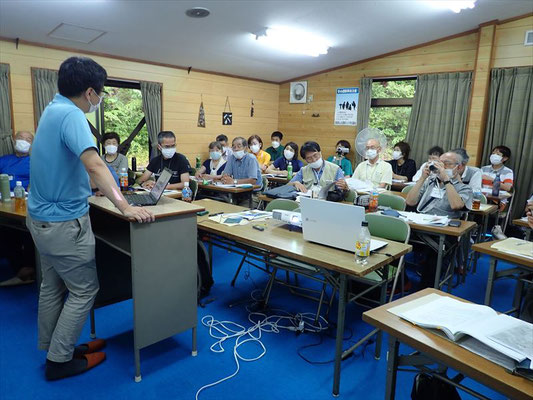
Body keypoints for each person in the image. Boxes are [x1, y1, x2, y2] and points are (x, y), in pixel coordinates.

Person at [25, 56, 154, 381]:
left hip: (41, 220)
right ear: (90, 91)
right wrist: (124, 206)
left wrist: (92, 187)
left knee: (52, 285)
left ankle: (55, 346)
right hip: (62, 224)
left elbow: (67, 166)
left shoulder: (52, 110)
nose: (100, 99)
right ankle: (59, 360)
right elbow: (94, 163)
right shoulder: (72, 115)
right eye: (101, 93)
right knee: (84, 291)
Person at [406, 151, 473, 288]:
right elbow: (410, 202)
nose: (441, 168)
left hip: (443, 233)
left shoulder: (464, 188)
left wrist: (447, 180)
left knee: (434, 254)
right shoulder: (430, 183)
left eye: (446, 164)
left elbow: (456, 205)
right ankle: (402, 280)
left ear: (459, 167)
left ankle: (425, 291)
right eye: (439, 164)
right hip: (419, 227)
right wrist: (422, 179)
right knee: (393, 241)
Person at [0, 131, 35, 287]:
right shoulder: (4, 160)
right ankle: (21, 268)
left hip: (25, 203)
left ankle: (27, 269)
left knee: (26, 230)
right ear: (14, 139)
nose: (24, 141)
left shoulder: (35, 161)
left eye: (28, 139)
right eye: (21, 138)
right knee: (5, 230)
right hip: (4, 202)